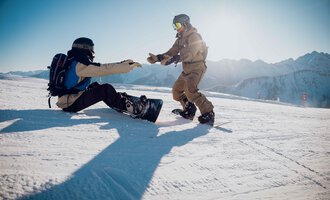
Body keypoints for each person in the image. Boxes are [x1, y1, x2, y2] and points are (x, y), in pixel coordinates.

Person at [147, 14, 215, 125]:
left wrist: (176, 58)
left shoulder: (195, 36)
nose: (176, 28)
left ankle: (209, 113)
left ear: (185, 23)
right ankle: (189, 110)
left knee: (191, 91)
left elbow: (191, 52)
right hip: (187, 69)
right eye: (174, 26)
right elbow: (172, 51)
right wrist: (158, 58)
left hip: (197, 68)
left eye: (177, 25)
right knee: (176, 91)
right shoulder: (180, 38)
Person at [56, 37, 145, 117]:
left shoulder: (72, 61)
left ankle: (118, 101)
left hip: (68, 100)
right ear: (84, 48)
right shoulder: (79, 65)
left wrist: (123, 63)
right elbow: (103, 69)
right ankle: (132, 108)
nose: (92, 52)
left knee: (95, 86)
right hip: (71, 103)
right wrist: (125, 66)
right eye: (91, 48)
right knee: (105, 89)